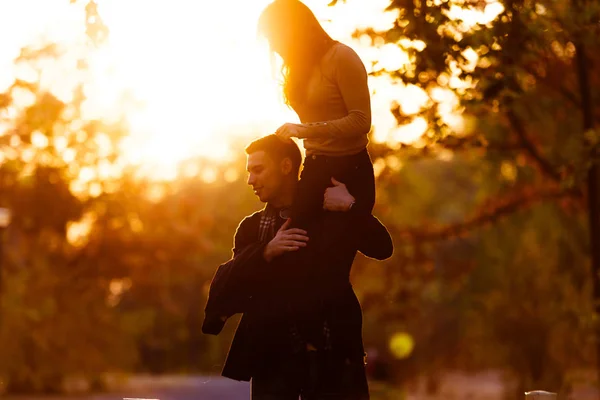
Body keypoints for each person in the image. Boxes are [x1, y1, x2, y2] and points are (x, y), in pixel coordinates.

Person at [203, 135, 392, 399]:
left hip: (333, 354)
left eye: (258, 170)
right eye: (249, 172)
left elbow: (383, 248)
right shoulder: (251, 229)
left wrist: (351, 206)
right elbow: (233, 288)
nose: (250, 180)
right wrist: (266, 251)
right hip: (273, 358)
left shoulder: (330, 212)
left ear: (286, 166)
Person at [257, 0, 381, 356]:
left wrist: (304, 128)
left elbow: (361, 121)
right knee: (293, 244)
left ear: (294, 29)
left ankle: (338, 349)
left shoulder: (342, 58)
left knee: (332, 266)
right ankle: (308, 339)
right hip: (315, 167)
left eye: (275, 37)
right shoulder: (299, 67)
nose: (273, 46)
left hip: (350, 171)